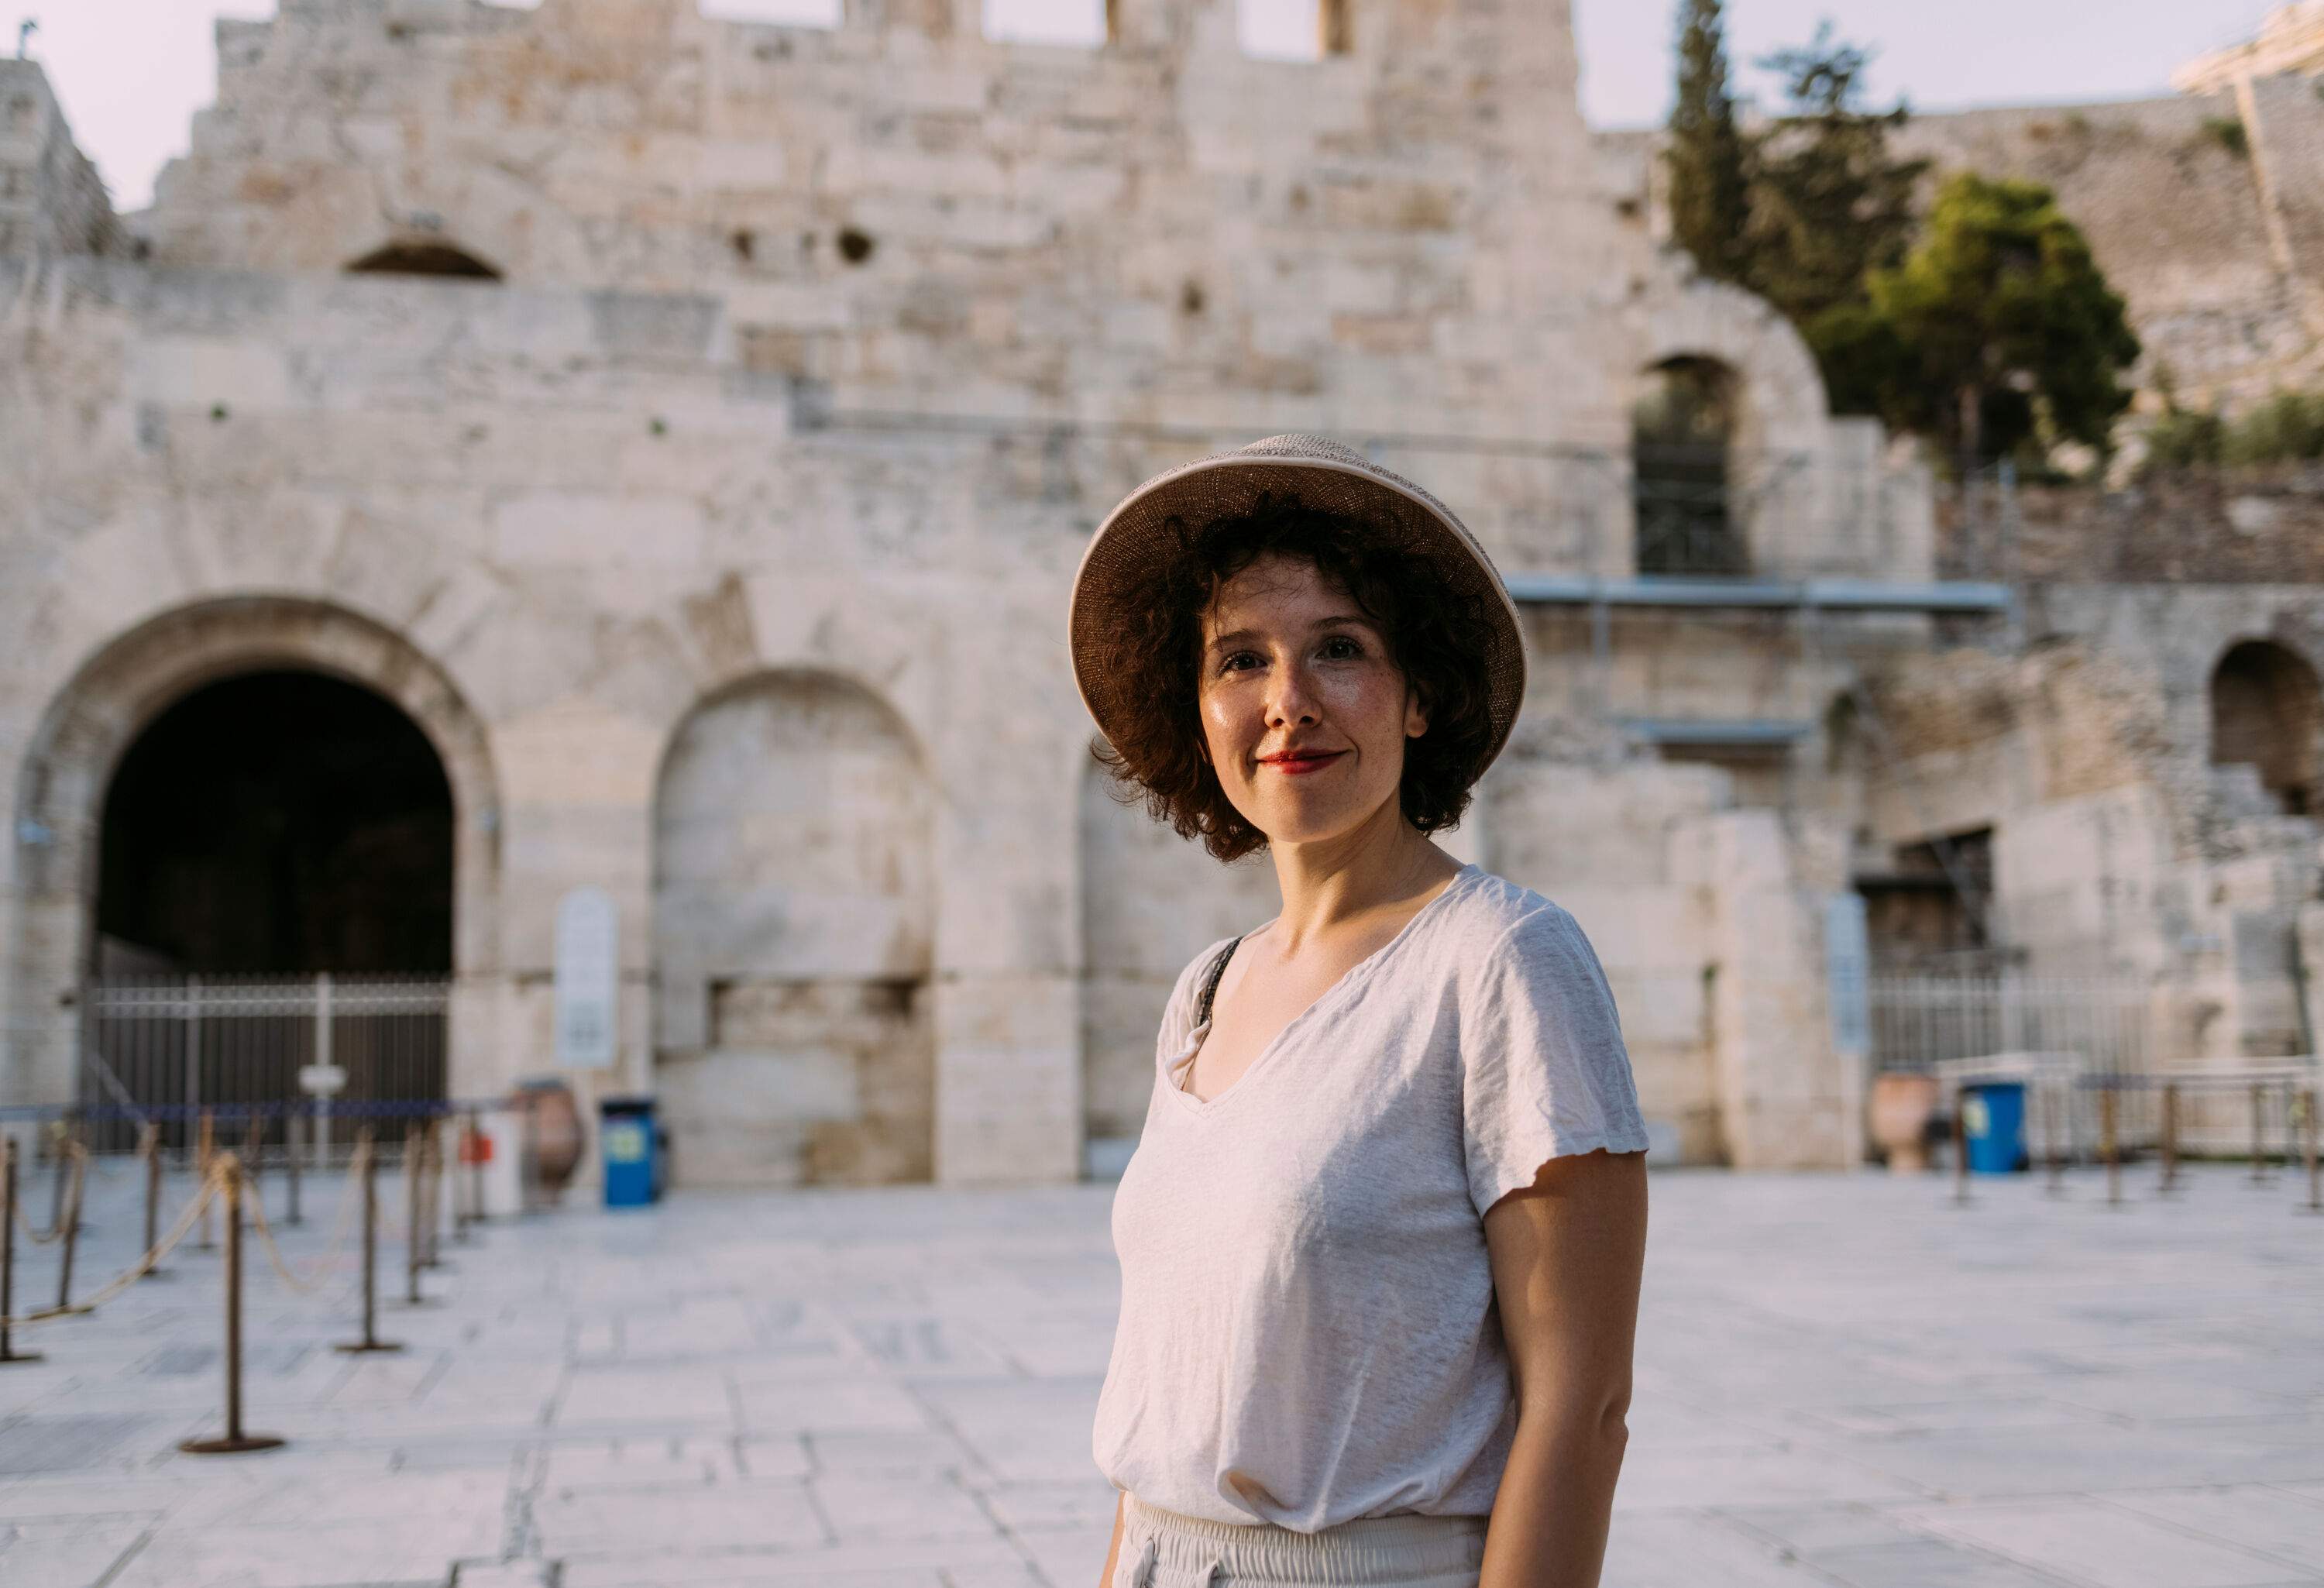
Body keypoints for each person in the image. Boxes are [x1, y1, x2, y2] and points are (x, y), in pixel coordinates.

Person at [1071, 435, 1652, 1588]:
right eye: (1240, 660)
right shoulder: (1204, 989)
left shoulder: (1502, 960)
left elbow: (1581, 1407)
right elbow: (1163, 1427)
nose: (1289, 702)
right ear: (1197, 711)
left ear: (1420, 694)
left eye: (1340, 648)